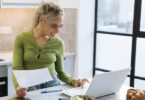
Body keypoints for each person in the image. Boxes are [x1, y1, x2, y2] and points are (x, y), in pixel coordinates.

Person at [12, 2, 89, 97]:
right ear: (41, 19)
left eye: (60, 26)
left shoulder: (58, 43)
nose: (57, 31)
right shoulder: (21, 39)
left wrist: (74, 81)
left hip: (52, 86)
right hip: (29, 88)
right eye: (53, 26)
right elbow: (17, 68)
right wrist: (18, 87)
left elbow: (60, 72)